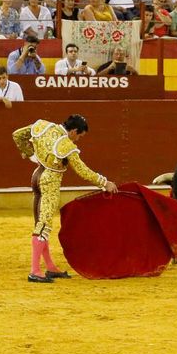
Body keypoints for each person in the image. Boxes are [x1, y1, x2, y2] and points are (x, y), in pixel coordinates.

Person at [12, 114, 118, 283]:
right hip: (50, 182)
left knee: (40, 223)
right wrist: (105, 183)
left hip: (36, 176)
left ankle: (50, 267)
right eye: (79, 136)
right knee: (44, 225)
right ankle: (35, 271)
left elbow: (18, 135)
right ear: (74, 131)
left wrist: (30, 155)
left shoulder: (43, 126)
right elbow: (83, 171)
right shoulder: (66, 145)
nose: (78, 140)